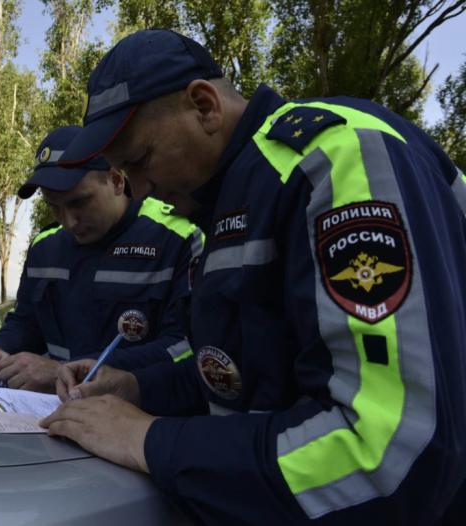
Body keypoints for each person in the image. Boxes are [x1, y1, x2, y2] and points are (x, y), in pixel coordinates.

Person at [41, 29, 466, 525]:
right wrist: (135, 387)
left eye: (139, 162)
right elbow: (241, 376)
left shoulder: (336, 158)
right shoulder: (226, 203)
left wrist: (148, 438)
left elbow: (387, 452)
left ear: (204, 106)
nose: (136, 191)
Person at [0, 125, 200, 392]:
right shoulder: (45, 247)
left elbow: (185, 346)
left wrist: (67, 371)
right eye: (54, 207)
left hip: (138, 417)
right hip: (48, 414)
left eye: (79, 202)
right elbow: (27, 322)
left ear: (116, 181)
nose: (68, 222)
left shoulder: (176, 236)